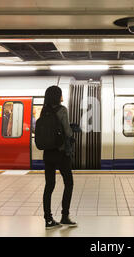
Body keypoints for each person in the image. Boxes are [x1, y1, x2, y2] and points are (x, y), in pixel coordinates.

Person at [41, 86, 77, 229]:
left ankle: (48, 219)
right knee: (68, 183)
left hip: (48, 153)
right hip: (61, 153)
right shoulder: (62, 110)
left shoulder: (44, 111)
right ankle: (64, 216)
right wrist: (72, 131)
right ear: (57, 96)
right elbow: (67, 132)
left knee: (49, 186)